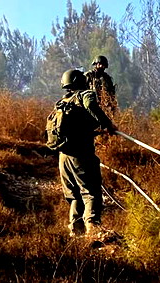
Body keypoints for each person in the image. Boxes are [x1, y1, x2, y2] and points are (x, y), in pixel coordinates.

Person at [54, 68, 117, 240]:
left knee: (74, 195)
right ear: (80, 82)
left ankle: (75, 231)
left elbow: (76, 129)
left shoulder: (63, 102)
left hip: (63, 157)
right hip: (80, 155)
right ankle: (93, 229)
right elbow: (91, 106)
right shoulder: (85, 95)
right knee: (90, 192)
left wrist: (96, 132)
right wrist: (107, 124)